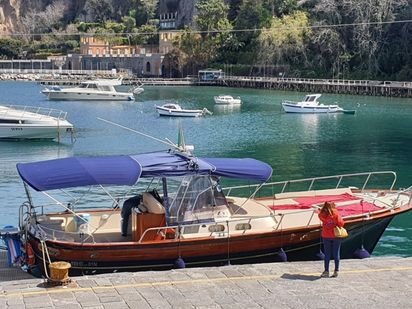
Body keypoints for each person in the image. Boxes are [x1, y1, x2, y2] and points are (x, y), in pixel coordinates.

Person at [318, 201, 345, 278]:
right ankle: (336, 271)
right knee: (336, 253)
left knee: (327, 254)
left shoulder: (321, 214)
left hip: (326, 235)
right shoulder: (336, 213)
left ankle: (326, 271)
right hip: (336, 235)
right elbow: (341, 223)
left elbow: (320, 216)